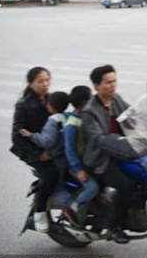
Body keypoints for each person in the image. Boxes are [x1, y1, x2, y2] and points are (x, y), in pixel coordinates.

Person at [81, 64, 135, 244]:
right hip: (101, 160)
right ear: (96, 86)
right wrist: (121, 142)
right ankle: (115, 227)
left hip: (122, 152)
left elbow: (132, 116)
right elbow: (99, 139)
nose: (113, 85)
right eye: (108, 82)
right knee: (127, 186)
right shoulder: (89, 111)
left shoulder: (116, 99)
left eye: (114, 81)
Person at [11, 67, 58, 233]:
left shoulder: (51, 99)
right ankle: (40, 212)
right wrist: (38, 155)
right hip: (33, 150)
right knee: (51, 174)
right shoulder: (23, 105)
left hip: (52, 146)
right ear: (31, 84)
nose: (45, 84)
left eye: (47, 80)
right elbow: (16, 137)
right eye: (40, 81)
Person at [63, 86, 101, 228]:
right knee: (92, 188)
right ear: (84, 103)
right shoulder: (72, 125)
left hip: (91, 160)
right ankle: (72, 208)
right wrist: (79, 170)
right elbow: (70, 150)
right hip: (77, 166)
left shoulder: (87, 116)